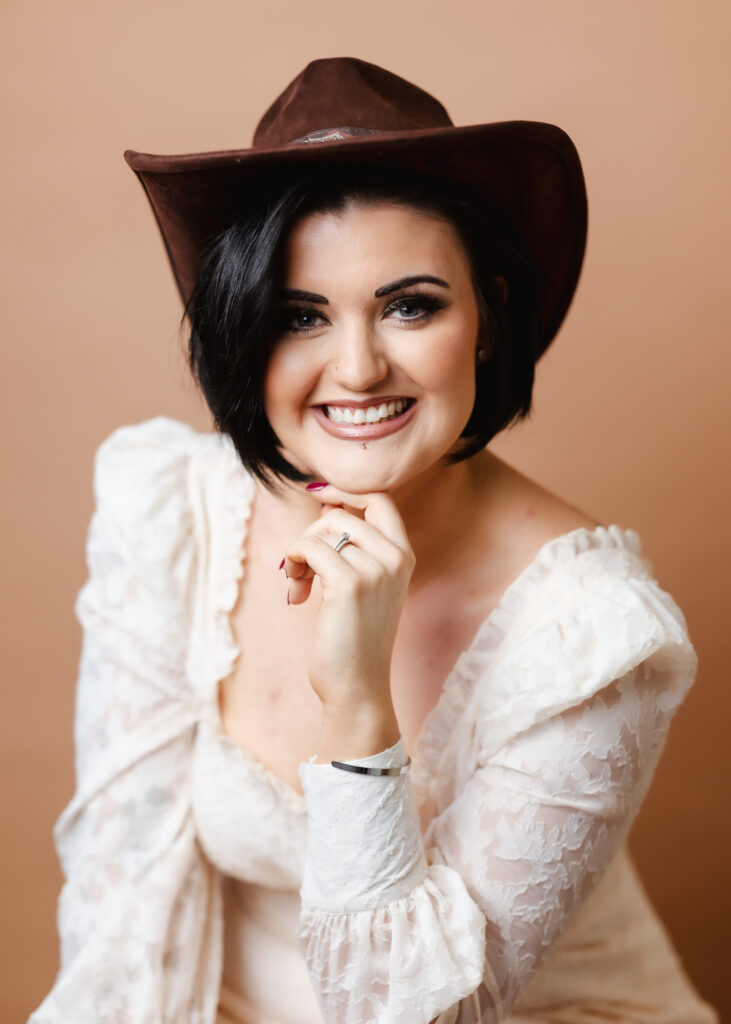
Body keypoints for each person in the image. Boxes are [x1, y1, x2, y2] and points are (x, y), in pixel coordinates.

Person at [29, 57, 718, 1024]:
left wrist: (357, 705)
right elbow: (120, 907)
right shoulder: (172, 512)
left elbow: (418, 1015)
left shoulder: (594, 634)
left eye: (409, 305)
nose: (355, 369)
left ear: (487, 318)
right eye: (298, 316)